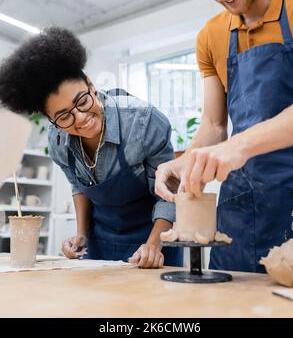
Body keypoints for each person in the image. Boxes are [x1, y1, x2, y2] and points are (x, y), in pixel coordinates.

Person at [155, 0, 293, 272]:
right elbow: (214, 125)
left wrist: (236, 147)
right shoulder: (210, 36)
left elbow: (228, 141)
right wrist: (188, 161)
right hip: (242, 200)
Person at [0, 28, 183, 268]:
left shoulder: (142, 121)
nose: (81, 117)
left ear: (91, 85)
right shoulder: (58, 140)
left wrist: (153, 245)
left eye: (82, 101)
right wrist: (81, 235)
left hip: (154, 243)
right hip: (101, 246)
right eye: (64, 116)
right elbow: (79, 185)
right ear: (50, 119)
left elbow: (169, 194)